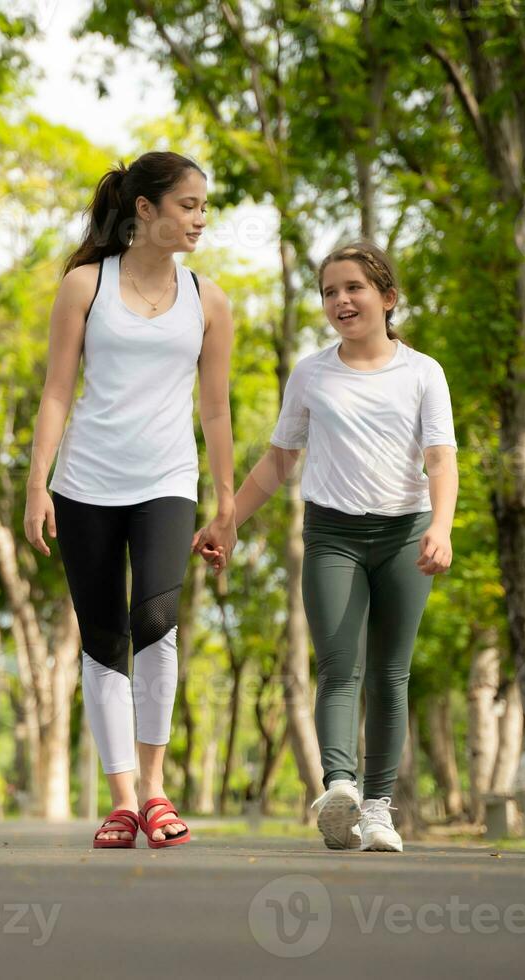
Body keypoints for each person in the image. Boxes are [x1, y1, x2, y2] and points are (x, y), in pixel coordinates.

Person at [195, 240, 457, 853]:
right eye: (330, 291)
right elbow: (282, 458)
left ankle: (379, 810)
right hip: (333, 534)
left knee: (391, 677)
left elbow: (441, 459)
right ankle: (339, 787)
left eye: (354, 288)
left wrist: (440, 527)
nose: (341, 300)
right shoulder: (312, 372)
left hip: (404, 534)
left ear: (387, 299)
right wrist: (228, 520)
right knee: (340, 668)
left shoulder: (423, 372)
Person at [23, 151, 238, 849]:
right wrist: (37, 485)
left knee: (155, 618)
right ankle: (120, 801)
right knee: (104, 638)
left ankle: (154, 789)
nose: (199, 218)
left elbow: (215, 410)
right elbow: (56, 390)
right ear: (144, 209)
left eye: (204, 206)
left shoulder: (209, 301)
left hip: (166, 480)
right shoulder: (84, 286)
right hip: (85, 482)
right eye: (187, 205)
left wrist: (227, 499)